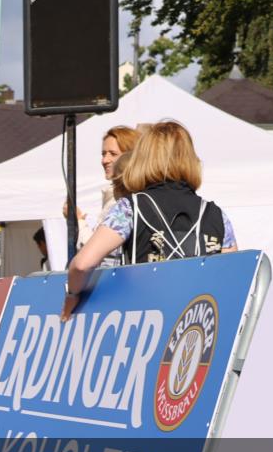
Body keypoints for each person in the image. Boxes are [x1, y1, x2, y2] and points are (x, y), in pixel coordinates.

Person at [62, 121, 238, 321]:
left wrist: (72, 295)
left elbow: (82, 264)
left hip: (147, 322)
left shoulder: (130, 208)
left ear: (145, 158)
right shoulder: (216, 214)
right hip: (198, 323)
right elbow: (233, 274)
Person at [67, 126, 140, 247]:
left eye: (113, 154)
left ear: (130, 157)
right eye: (103, 154)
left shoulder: (126, 200)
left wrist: (78, 220)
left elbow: (96, 249)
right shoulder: (114, 194)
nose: (105, 160)